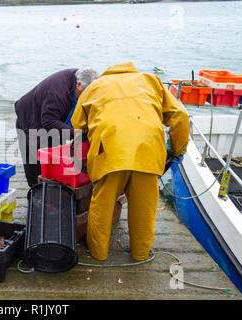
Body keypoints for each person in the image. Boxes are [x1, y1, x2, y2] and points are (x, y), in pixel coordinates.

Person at [71, 62, 189, 261]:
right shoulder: (152, 81)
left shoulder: (95, 86)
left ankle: (98, 254)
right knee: (144, 209)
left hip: (109, 153)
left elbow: (77, 123)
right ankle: (140, 254)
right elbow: (180, 116)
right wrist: (178, 149)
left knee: (102, 207)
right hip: (148, 152)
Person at [15, 68, 99, 187]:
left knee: (56, 160)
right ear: (79, 85)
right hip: (31, 120)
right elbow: (49, 121)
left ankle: (57, 192)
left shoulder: (80, 82)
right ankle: (36, 196)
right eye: (86, 95)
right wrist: (76, 134)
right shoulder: (57, 92)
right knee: (36, 163)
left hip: (55, 120)